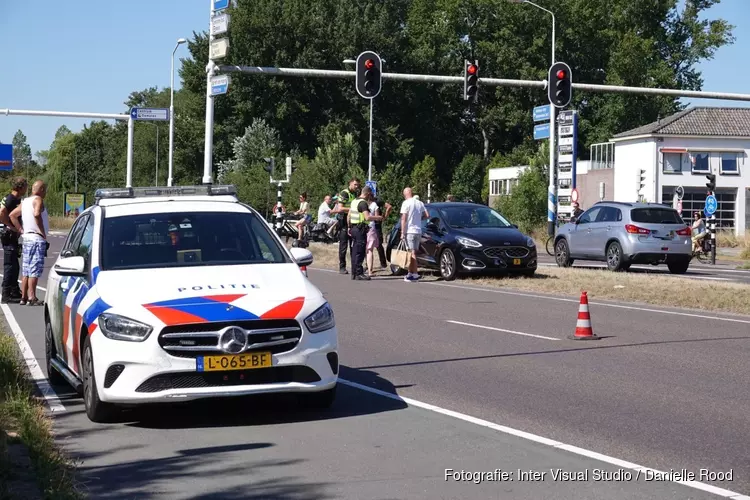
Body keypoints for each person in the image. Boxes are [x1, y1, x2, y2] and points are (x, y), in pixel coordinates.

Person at [9, 180, 48, 306]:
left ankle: (23, 297)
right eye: (45, 189)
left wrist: (21, 230)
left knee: (26, 269)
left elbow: (12, 215)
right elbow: (37, 214)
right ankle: (32, 297)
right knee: (34, 269)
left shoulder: (25, 201)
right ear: (41, 190)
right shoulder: (38, 199)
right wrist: (42, 232)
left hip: (27, 238)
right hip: (36, 238)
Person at [0, 177, 27, 303]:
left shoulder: (17, 199)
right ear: (20, 187)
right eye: (25, 186)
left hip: (13, 237)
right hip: (9, 236)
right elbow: (2, 212)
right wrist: (10, 226)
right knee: (9, 265)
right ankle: (6, 294)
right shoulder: (10, 198)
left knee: (15, 265)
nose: (27, 188)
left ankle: (14, 290)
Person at [348, 186, 382, 280]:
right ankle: (359, 273)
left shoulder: (354, 201)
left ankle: (354, 272)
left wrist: (349, 227)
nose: (370, 197)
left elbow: (349, 215)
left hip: (354, 228)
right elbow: (367, 217)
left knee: (355, 251)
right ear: (367, 193)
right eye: (370, 195)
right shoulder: (363, 203)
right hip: (360, 229)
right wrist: (378, 218)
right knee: (360, 251)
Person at [399, 187, 429, 282]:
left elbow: (403, 218)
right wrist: (419, 219)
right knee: (413, 252)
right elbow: (427, 215)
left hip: (410, 230)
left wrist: (402, 232)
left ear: (405, 194)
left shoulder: (406, 203)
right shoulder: (419, 203)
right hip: (418, 230)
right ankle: (411, 272)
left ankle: (414, 273)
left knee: (411, 253)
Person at [331, 178, 360, 274]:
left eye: (358, 185)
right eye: (355, 184)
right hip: (343, 221)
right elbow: (340, 208)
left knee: (354, 246)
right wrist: (353, 209)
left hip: (353, 221)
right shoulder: (344, 193)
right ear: (350, 183)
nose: (357, 186)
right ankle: (342, 267)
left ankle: (354, 266)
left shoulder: (356, 194)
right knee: (343, 246)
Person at [372, 195, 392, 268]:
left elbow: (389, 206)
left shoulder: (377, 201)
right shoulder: (365, 201)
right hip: (369, 224)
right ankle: (368, 264)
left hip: (377, 224)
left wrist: (385, 216)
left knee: (378, 245)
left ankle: (383, 263)